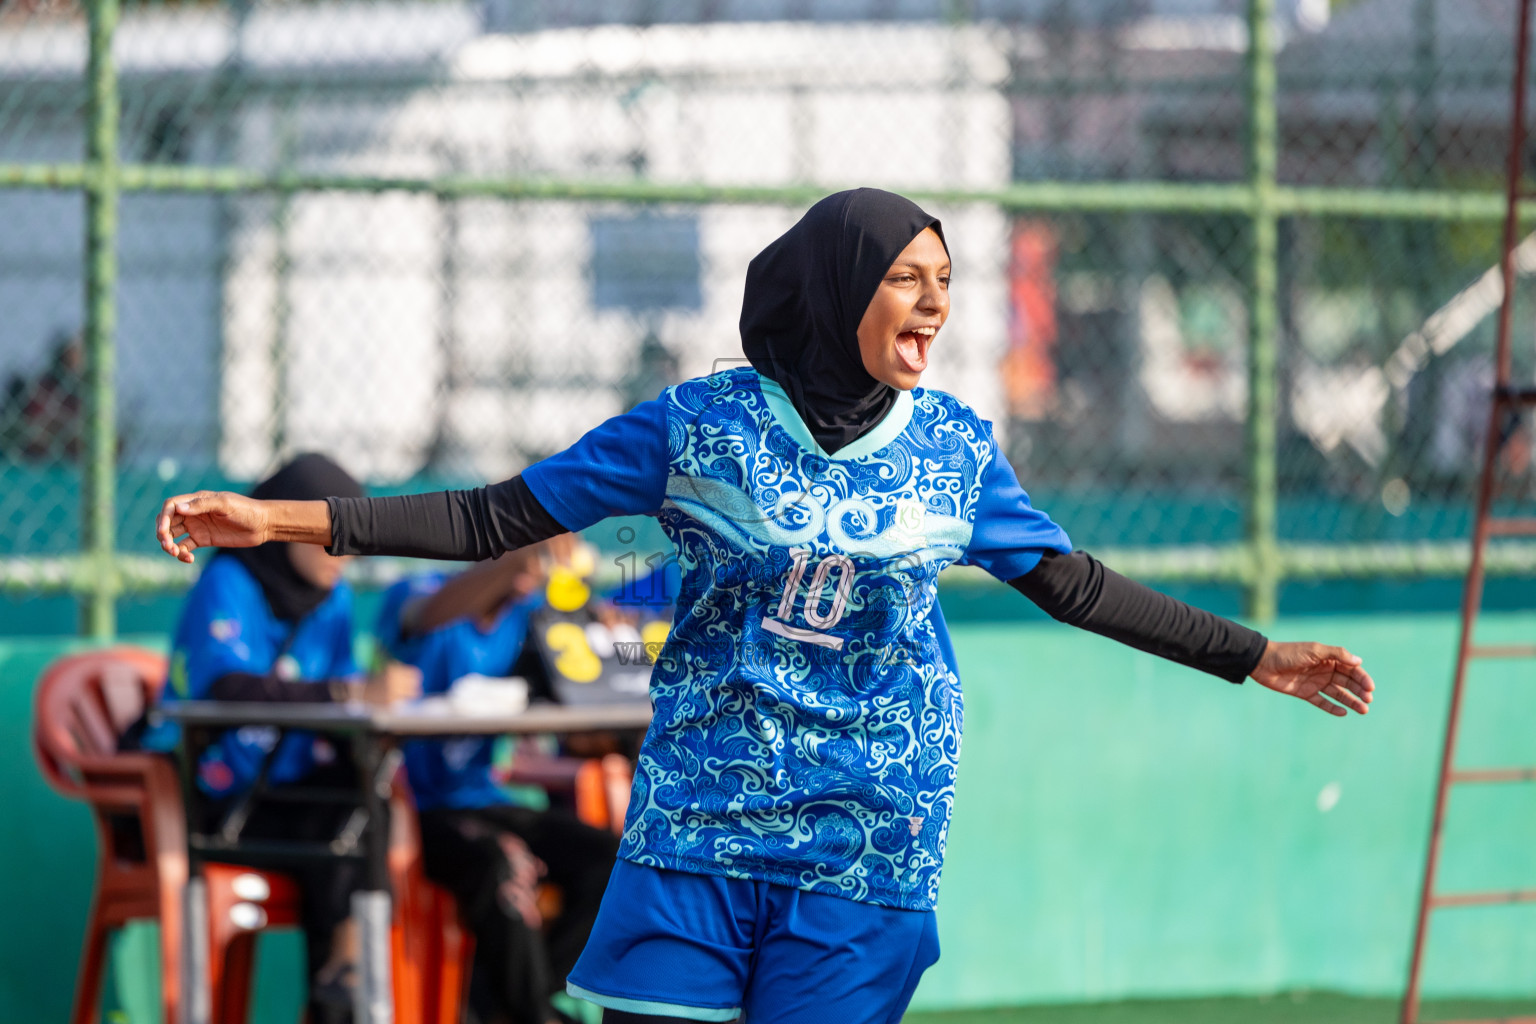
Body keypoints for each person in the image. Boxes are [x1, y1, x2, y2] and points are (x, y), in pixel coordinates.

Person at [156, 189, 1376, 1024]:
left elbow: (1072, 583)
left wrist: (1251, 653)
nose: (934, 301)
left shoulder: (953, 452)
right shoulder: (698, 430)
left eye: (944, 280)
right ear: (840, 285)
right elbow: (492, 517)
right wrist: (282, 520)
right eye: (907, 276)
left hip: (863, 835)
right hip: (697, 822)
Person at [146, 453, 417, 1023]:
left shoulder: (333, 598)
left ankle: (341, 976)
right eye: (327, 539)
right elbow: (227, 686)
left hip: (289, 786)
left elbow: (343, 695)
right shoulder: (229, 579)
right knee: (342, 836)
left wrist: (381, 716)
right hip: (217, 798)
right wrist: (351, 696)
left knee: (364, 807)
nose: (342, 557)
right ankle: (339, 983)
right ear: (287, 526)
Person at [374, 542, 620, 1024]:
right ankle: (528, 1011)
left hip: (484, 796)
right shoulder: (420, 593)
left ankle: (519, 1003)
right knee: (498, 862)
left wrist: (603, 629)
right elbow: (426, 618)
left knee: (612, 862)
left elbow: (584, 693)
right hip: (416, 809)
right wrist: (518, 553)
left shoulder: (528, 611)